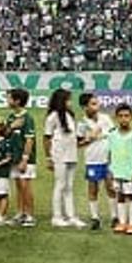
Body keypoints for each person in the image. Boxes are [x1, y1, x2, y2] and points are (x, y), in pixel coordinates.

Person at [43, 89, 83, 228]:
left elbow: (74, 136)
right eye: (68, 100)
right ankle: (57, 216)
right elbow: (47, 137)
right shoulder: (53, 117)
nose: (70, 102)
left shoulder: (70, 115)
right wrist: (48, 157)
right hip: (59, 153)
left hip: (71, 153)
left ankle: (71, 215)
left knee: (69, 186)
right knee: (60, 185)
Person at [106, 104, 132, 236]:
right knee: (120, 196)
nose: (124, 119)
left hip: (130, 172)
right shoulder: (112, 135)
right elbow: (109, 153)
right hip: (116, 172)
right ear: (116, 118)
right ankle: (122, 222)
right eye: (121, 116)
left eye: (126, 116)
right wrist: (110, 171)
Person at [77, 93, 113, 230]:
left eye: (97, 103)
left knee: (111, 187)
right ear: (84, 107)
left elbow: (113, 135)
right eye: (93, 104)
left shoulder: (105, 118)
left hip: (109, 159)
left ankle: (115, 216)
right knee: (93, 188)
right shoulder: (82, 124)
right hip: (92, 159)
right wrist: (89, 139)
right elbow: (77, 144)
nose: (97, 106)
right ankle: (95, 217)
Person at [4, 88, 38, 226]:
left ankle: (30, 215)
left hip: (25, 159)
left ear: (17, 101)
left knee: (25, 186)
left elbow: (30, 140)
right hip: (14, 157)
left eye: (9, 98)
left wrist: (25, 159)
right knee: (18, 185)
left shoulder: (27, 118)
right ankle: (20, 213)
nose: (7, 101)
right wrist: (12, 126)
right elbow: (5, 134)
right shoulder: (11, 117)